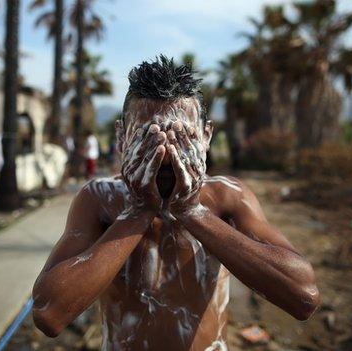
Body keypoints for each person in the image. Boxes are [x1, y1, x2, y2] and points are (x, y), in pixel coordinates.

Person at [32, 56, 319, 350]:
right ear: (122, 136)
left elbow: (303, 296)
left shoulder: (226, 197)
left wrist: (192, 211)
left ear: (206, 135)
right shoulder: (101, 199)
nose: (165, 151)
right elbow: (48, 313)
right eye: (148, 136)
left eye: (182, 136)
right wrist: (139, 211)